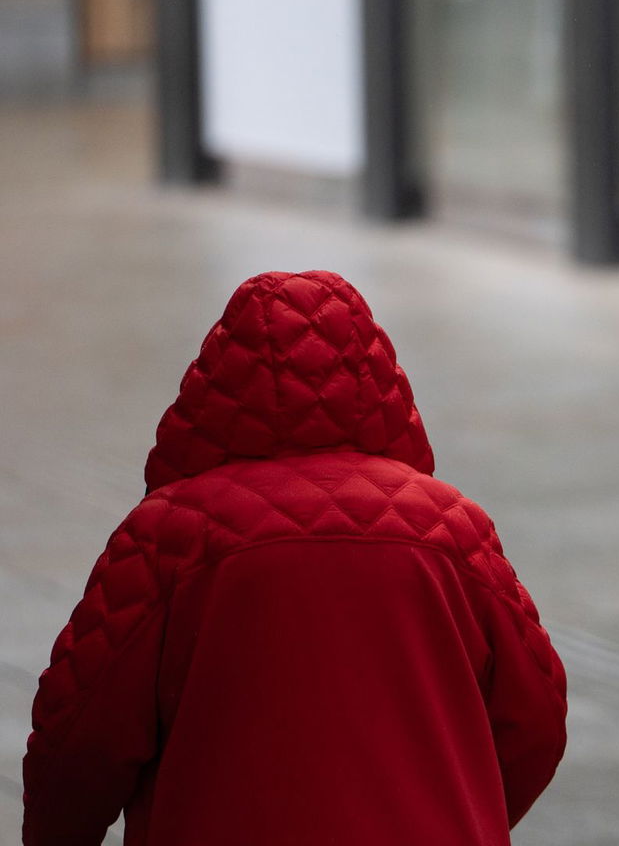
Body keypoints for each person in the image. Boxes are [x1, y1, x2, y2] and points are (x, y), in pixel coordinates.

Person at [23, 271, 567, 845]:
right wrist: (462, 811)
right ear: (376, 379)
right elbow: (535, 715)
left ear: (215, 388)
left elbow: (79, 734)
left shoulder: (169, 536)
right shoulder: (451, 529)